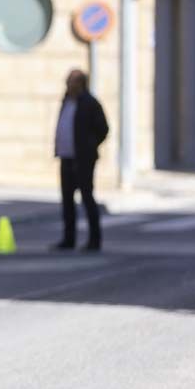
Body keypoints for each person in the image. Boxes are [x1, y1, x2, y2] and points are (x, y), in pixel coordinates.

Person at [53, 69, 108, 252]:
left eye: (72, 82)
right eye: (68, 82)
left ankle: (94, 239)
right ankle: (69, 238)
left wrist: (89, 146)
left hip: (83, 159)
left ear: (81, 84)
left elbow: (103, 129)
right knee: (67, 200)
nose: (69, 86)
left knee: (87, 197)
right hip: (66, 157)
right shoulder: (66, 102)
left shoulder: (90, 103)